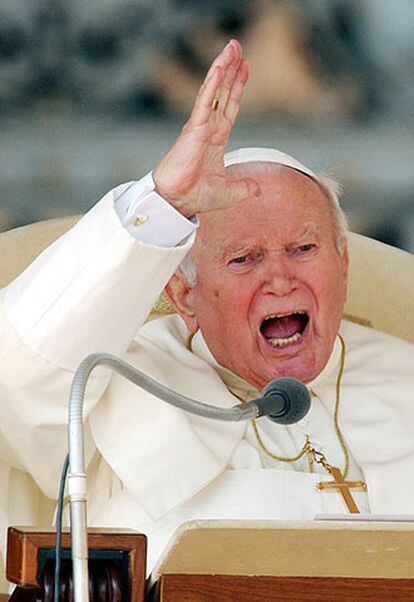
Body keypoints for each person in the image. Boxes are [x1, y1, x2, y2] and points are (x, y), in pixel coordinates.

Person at [0, 40, 413, 589]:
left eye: (305, 249)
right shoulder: (112, 384)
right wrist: (163, 203)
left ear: (344, 263)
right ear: (185, 294)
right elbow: (18, 375)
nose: (281, 278)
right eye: (244, 259)